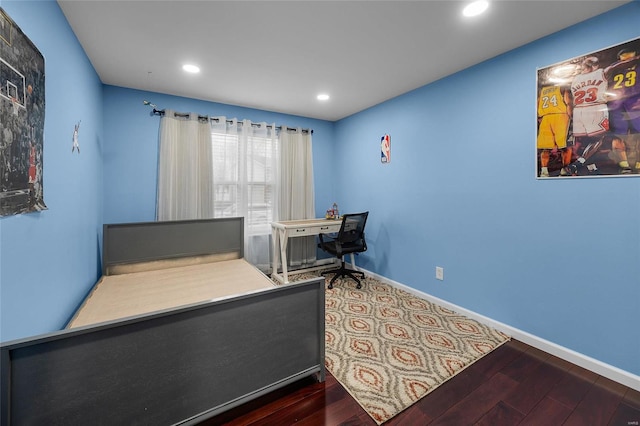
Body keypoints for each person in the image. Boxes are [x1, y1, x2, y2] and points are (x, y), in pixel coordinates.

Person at [537, 83, 572, 177]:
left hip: (546, 117)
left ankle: (544, 171)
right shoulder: (562, 86)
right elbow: (567, 101)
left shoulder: (542, 90)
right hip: (561, 116)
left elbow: (538, 102)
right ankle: (564, 170)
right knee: (565, 146)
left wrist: (540, 117)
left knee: (545, 148)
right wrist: (571, 116)